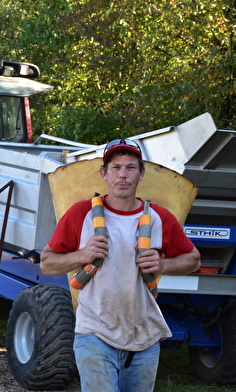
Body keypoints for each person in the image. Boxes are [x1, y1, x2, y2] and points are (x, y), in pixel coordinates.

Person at [40, 139, 201, 392]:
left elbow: (193, 260)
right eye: (116, 167)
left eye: (130, 167)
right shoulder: (81, 213)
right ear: (104, 173)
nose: (123, 175)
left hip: (145, 337)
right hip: (94, 332)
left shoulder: (159, 217)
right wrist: (82, 255)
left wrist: (162, 264)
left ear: (141, 173)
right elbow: (47, 263)